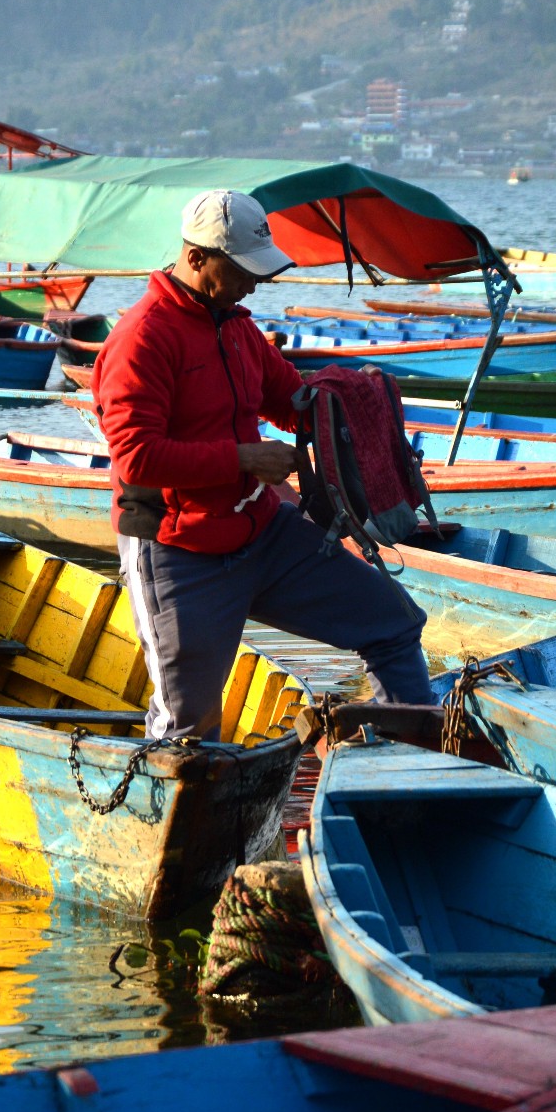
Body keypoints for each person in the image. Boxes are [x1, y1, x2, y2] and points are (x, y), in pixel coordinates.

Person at [91, 189, 434, 740]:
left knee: (393, 624)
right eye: (244, 270)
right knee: (188, 727)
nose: (257, 283)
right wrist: (244, 458)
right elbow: (135, 457)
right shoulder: (143, 338)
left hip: (261, 531)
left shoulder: (236, 327)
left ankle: (416, 760)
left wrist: (348, 399)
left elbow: (290, 400)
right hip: (179, 549)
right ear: (197, 258)